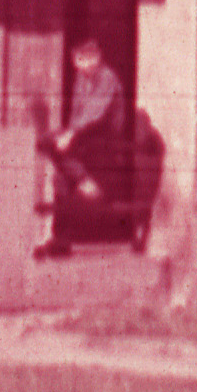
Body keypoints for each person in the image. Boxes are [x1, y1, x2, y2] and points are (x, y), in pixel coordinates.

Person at [36, 38, 132, 254]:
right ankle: (60, 238)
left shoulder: (107, 78)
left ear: (95, 58)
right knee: (59, 175)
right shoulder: (81, 79)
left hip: (105, 140)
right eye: (76, 59)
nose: (78, 64)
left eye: (83, 59)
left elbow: (93, 112)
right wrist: (68, 135)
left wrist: (69, 135)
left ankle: (83, 180)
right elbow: (76, 114)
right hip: (84, 139)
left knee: (58, 151)